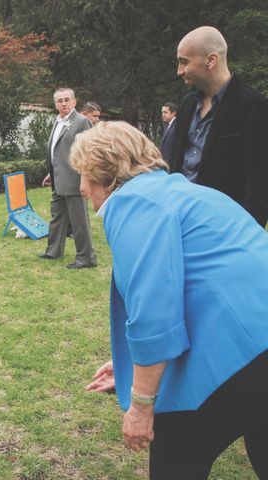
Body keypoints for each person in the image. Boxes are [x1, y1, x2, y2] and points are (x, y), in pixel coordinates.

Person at [71, 121, 268, 479]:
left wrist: (142, 404)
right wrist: (130, 367)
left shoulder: (133, 204)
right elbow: (198, 285)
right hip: (257, 342)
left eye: (83, 175)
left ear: (105, 173)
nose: (82, 188)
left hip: (238, 357)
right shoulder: (180, 191)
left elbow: (155, 314)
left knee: (177, 462)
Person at [170, 26, 268, 227]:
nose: (179, 71)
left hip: (224, 227)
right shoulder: (187, 104)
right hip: (181, 218)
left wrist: (246, 234)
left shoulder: (253, 106)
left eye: (184, 62)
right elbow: (177, 164)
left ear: (211, 60)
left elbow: (259, 185)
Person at [39, 87, 96, 269]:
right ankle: (53, 251)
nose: (63, 103)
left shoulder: (81, 122)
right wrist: (52, 172)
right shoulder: (57, 121)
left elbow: (88, 152)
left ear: (74, 102)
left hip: (74, 180)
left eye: (66, 100)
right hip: (58, 179)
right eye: (59, 101)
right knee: (57, 218)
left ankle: (86, 258)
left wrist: (85, 180)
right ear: (55, 104)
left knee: (79, 222)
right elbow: (59, 152)